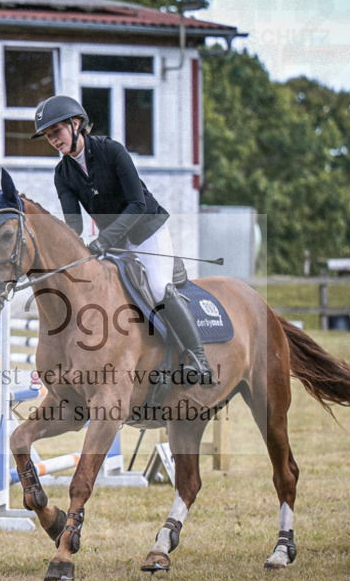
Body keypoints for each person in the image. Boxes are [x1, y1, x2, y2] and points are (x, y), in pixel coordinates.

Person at [31, 94, 214, 386]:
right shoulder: (62, 173)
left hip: (147, 231)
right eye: (48, 136)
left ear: (76, 124)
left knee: (156, 287)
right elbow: (73, 224)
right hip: (113, 242)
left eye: (57, 132)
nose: (53, 140)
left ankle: (199, 359)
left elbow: (137, 205)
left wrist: (103, 241)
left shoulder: (111, 151)